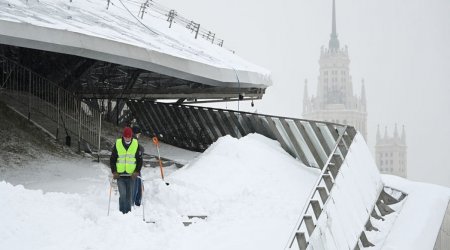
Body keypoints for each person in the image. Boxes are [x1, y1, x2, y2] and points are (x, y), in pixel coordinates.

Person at [110, 127, 143, 214]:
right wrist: (114, 171)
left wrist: (136, 171)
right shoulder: (118, 144)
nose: (127, 138)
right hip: (120, 175)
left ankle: (128, 214)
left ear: (132, 136)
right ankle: (121, 213)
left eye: (129, 137)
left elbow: (139, 160)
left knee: (129, 196)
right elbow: (112, 159)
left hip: (131, 175)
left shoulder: (136, 144)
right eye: (126, 137)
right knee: (123, 194)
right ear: (123, 136)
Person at [132, 126, 144, 206]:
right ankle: (136, 202)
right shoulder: (134, 140)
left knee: (137, 184)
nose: (139, 136)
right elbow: (140, 150)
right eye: (139, 134)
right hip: (134, 167)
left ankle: (135, 202)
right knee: (137, 186)